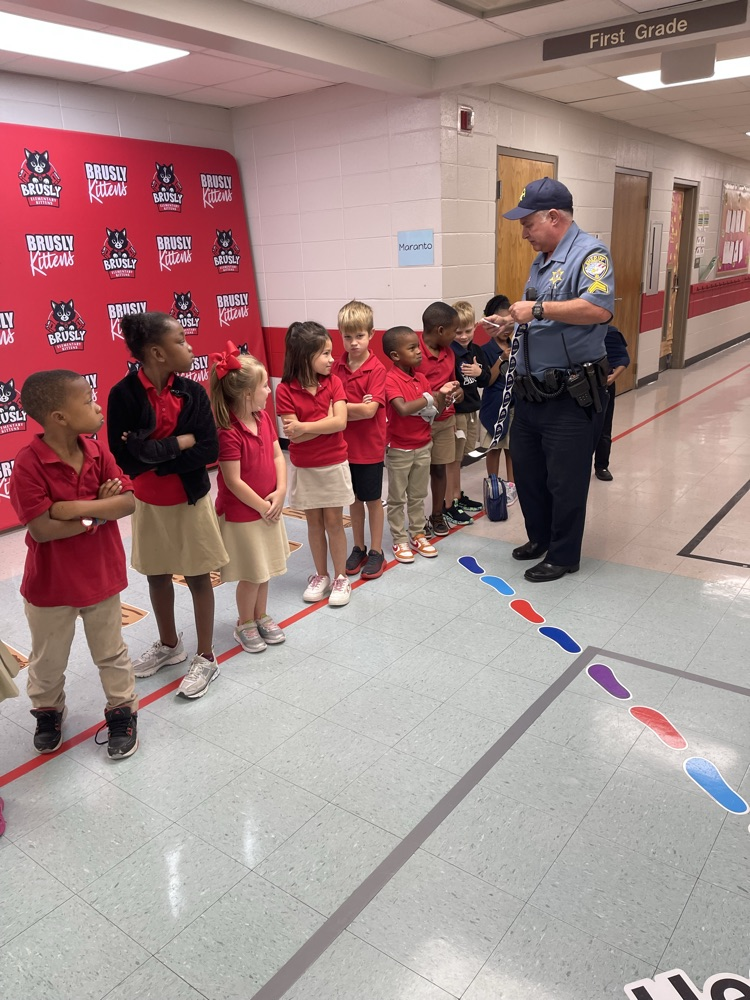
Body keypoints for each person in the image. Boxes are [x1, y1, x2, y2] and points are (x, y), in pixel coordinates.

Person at [9, 370, 139, 758]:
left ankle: (122, 710)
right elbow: (44, 529)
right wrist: (99, 513)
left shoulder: (99, 451)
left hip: (101, 576)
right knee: (47, 660)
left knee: (112, 653)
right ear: (59, 417)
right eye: (87, 401)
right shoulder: (28, 464)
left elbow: (127, 503)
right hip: (51, 586)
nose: (97, 406)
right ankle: (48, 711)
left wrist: (74, 509)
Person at [108, 312, 228, 698]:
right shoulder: (122, 395)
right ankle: (170, 644)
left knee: (196, 577)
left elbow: (208, 448)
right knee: (156, 575)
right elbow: (125, 457)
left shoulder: (193, 393)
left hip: (190, 501)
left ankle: (206, 657)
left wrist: (155, 452)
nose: (190, 346)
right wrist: (180, 442)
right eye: (181, 340)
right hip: (148, 503)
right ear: (157, 352)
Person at [500, 177, 614, 582]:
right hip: (531, 392)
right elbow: (537, 313)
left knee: (565, 482)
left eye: (528, 224)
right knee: (530, 474)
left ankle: (564, 554)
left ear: (554, 216)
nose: (524, 232)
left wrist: (539, 309)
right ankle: (541, 538)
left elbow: (596, 309)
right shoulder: (542, 258)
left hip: (570, 394)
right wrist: (510, 320)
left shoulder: (591, 254)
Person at [209, 343, 290, 654]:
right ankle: (245, 622)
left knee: (265, 569)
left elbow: (278, 456)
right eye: (264, 386)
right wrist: (262, 506)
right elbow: (233, 480)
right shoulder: (228, 431)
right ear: (245, 393)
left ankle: (260, 615)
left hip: (269, 509)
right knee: (251, 573)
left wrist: (280, 493)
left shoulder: (264, 419)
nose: (269, 391)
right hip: (245, 516)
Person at [276, 321, 354, 607]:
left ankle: (341, 577)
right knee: (313, 523)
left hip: (333, 463)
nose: (332, 359)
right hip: (305, 467)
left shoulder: (334, 382)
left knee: (334, 522)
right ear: (304, 356)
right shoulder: (285, 390)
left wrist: (306, 427)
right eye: (325, 354)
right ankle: (320, 575)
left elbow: (340, 422)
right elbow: (292, 433)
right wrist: (320, 426)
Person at [383, 326, 458, 562]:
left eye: (418, 346)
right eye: (412, 348)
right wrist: (429, 397)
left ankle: (417, 533)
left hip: (423, 445)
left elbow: (432, 412)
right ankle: (399, 539)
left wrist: (445, 395)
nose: (419, 352)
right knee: (397, 498)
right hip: (399, 449)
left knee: (417, 495)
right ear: (396, 355)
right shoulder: (390, 379)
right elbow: (403, 409)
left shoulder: (422, 378)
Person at [333, 300, 387, 581]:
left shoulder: (376, 369)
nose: (353, 343)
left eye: (360, 336)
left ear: (371, 334)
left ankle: (377, 550)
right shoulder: (337, 366)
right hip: (344, 447)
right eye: (347, 336)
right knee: (352, 499)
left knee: (372, 499)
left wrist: (341, 406)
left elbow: (369, 411)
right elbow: (330, 404)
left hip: (370, 447)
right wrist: (351, 406)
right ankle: (359, 546)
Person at [418, 302, 464, 536]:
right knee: (415, 475)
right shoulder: (412, 353)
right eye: (454, 331)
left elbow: (455, 384)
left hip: (445, 421)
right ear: (439, 330)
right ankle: (416, 522)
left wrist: (458, 392)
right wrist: (436, 395)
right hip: (418, 424)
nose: (456, 335)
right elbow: (404, 392)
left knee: (439, 469)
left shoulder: (449, 353)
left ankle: (437, 514)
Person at [445, 299, 490, 523]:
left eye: (468, 331)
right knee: (452, 460)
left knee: (461, 457)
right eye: (458, 332)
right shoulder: (449, 354)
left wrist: (479, 371)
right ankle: (450, 501)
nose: (463, 336)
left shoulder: (476, 351)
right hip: (456, 413)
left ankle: (457, 495)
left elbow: (484, 381)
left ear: (475, 327)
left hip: (472, 411)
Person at [478, 295, 518, 505]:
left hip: (515, 405)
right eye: (501, 323)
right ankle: (494, 484)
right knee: (493, 448)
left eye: (509, 322)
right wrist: (502, 358)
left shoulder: (518, 343)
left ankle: (511, 485)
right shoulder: (485, 350)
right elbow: (487, 380)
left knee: (512, 448)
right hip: (493, 406)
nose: (506, 328)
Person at [594, 324, 630, 481]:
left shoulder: (609, 332)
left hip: (603, 386)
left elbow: (623, 359)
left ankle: (601, 465)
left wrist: (612, 378)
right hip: (577, 388)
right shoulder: (574, 331)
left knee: (604, 427)